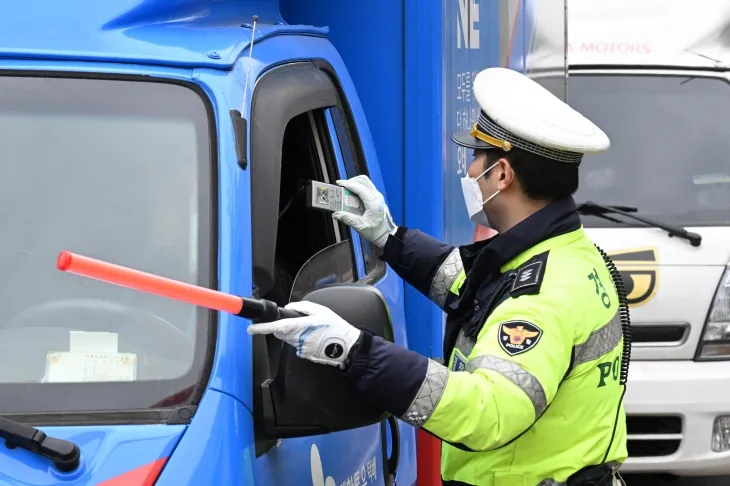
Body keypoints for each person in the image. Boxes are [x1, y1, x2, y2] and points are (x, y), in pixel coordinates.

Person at [248, 67, 630, 486]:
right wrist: (390, 238)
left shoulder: (541, 296)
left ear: (501, 175)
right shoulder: (565, 254)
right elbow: (473, 288)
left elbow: (489, 413)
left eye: (476, 159)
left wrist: (357, 352)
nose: (468, 173)